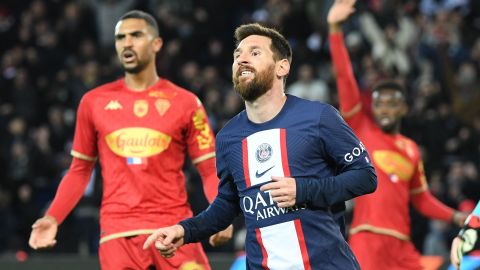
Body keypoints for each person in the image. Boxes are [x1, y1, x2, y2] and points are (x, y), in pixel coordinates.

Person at [143, 22, 377, 269]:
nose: (242, 59)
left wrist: (304, 190)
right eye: (237, 55)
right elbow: (228, 203)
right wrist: (185, 230)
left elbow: (365, 176)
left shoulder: (319, 117)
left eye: (254, 53)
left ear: (282, 67)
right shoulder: (227, 138)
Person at [28, 10, 232, 270]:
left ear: (156, 43)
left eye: (136, 35)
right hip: (118, 235)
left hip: (175, 229)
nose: (126, 42)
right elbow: (79, 171)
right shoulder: (93, 103)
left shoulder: (186, 103)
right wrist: (52, 217)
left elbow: (208, 170)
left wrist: (219, 216)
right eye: (120, 37)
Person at [327, 1, 467, 269]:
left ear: (403, 107)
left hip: (401, 246)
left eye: (392, 103)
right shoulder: (361, 130)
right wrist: (335, 30)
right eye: (379, 103)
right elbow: (345, 79)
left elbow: (422, 199)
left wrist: (456, 217)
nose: (385, 109)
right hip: (367, 239)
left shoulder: (411, 149)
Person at [450, 200, 480, 270]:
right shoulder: (454, 232)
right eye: (464, 213)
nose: (466, 215)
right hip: (465, 261)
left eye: (469, 212)